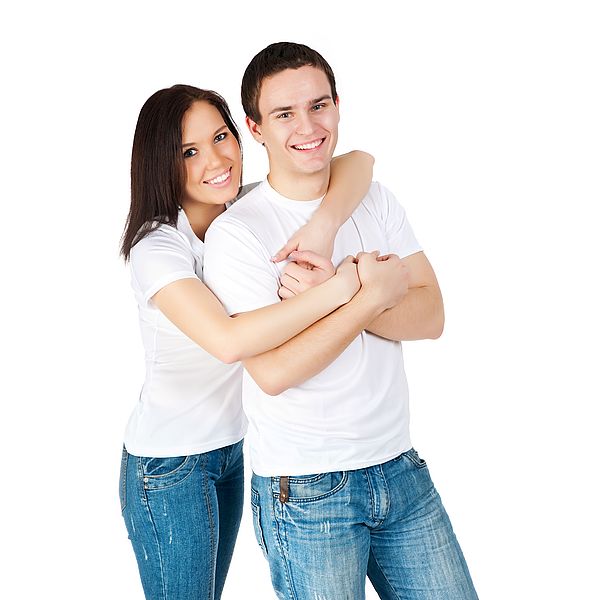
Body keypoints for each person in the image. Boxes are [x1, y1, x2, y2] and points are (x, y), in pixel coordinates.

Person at [203, 43, 478, 599]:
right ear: (256, 128)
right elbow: (275, 372)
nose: (308, 126)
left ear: (337, 105)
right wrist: (364, 292)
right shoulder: (239, 234)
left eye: (319, 105)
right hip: (305, 490)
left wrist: (357, 295)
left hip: (401, 469)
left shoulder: (374, 200)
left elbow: (432, 315)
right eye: (284, 114)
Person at [119, 83, 379, 600]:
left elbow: (358, 163)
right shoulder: (158, 246)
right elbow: (228, 341)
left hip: (231, 451)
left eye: (221, 137)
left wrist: (326, 224)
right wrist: (345, 289)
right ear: (160, 164)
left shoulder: (238, 211)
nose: (216, 160)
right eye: (189, 151)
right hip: (169, 468)